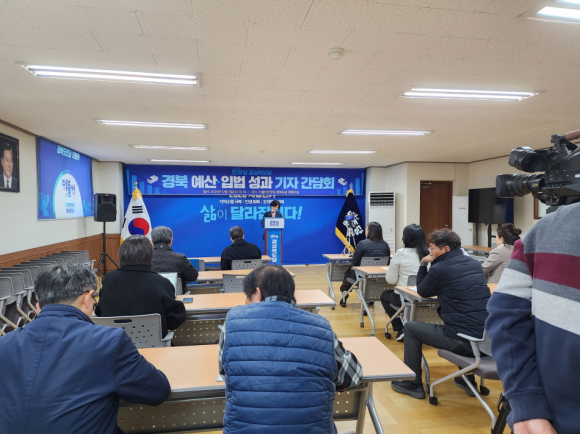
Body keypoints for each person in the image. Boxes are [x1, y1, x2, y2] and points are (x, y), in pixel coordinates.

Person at [0, 263, 170, 433]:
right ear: (87, 298)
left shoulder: (4, 344)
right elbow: (157, 391)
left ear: (38, 307)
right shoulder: (108, 341)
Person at [218, 265, 363, 434]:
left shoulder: (233, 321)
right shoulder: (321, 327)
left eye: (247, 296)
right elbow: (352, 377)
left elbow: (226, 373)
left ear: (257, 293)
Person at [486, 203, 580, 434]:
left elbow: (505, 315)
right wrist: (526, 405)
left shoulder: (548, 227)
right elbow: (506, 314)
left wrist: (525, 402)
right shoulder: (544, 231)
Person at [391, 228, 490, 399]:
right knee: (465, 319)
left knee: (411, 328)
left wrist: (423, 265)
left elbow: (422, 291)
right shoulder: (474, 264)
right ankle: (466, 380)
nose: (430, 252)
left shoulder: (440, 268)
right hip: (487, 340)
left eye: (432, 248)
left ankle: (413, 384)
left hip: (463, 342)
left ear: (446, 249)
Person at [96, 234, 186, 338]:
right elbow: (175, 319)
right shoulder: (161, 282)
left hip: (115, 343)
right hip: (154, 345)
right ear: (150, 256)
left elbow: (100, 312)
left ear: (121, 255)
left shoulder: (109, 279)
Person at [381, 224, 429, 341]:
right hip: (426, 298)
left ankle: (400, 329)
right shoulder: (428, 253)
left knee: (384, 296)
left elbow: (391, 280)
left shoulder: (401, 252)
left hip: (405, 298)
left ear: (405, 238)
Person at [340, 221, 390, 307]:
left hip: (362, 277)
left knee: (349, 271)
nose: (365, 230)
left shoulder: (362, 243)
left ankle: (344, 292)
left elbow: (354, 262)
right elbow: (387, 263)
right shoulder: (385, 245)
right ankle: (369, 298)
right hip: (378, 277)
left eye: (367, 228)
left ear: (370, 231)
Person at [150, 226, 199, 293]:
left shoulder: (143, 259)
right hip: (175, 298)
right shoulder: (180, 258)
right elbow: (193, 276)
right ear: (171, 241)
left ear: (152, 242)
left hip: (150, 297)